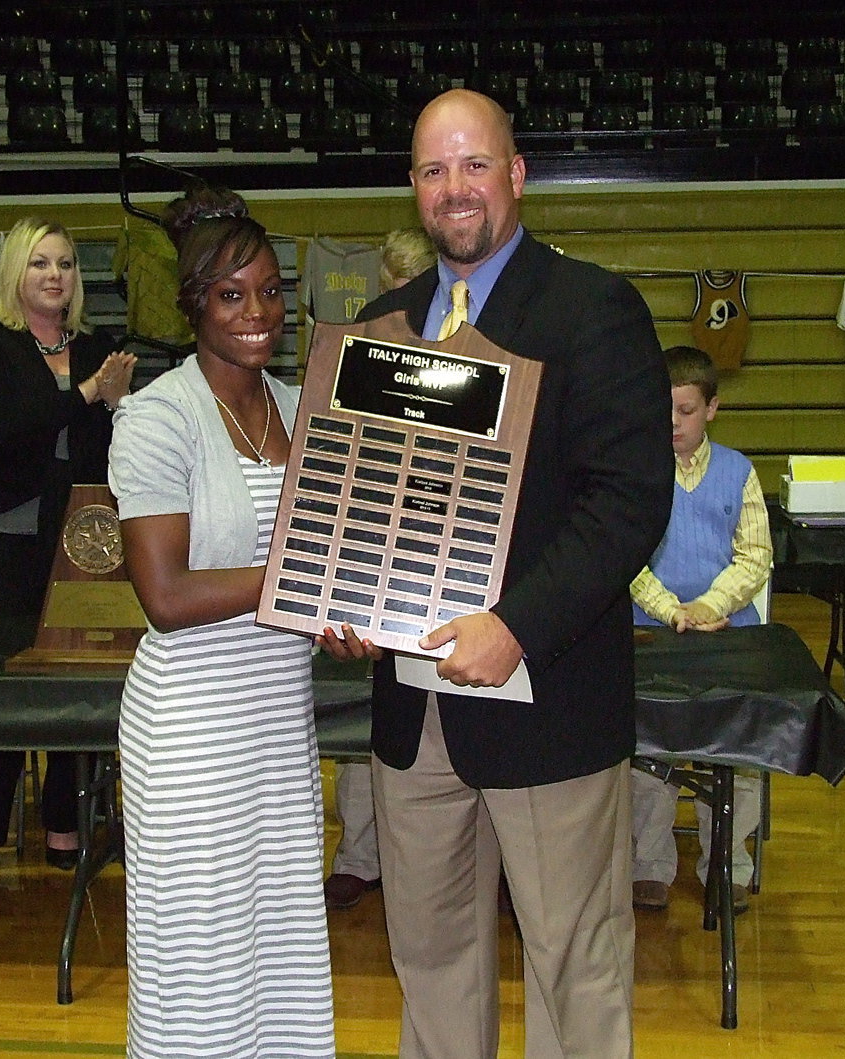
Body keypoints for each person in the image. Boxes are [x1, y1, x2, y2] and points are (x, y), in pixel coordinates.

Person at [319, 89, 673, 1059]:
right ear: (413, 190)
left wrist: (514, 623)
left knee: (574, 961)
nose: (455, 188)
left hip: (546, 701)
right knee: (429, 957)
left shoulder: (592, 309)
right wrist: (340, 600)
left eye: (475, 165)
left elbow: (628, 504)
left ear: (517, 175)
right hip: (414, 714)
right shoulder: (383, 327)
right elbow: (359, 509)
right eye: (434, 170)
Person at [108, 185, 334, 1059]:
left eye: (272, 291)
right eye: (233, 295)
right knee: (196, 965)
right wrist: (306, 575)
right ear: (194, 303)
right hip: (193, 730)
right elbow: (165, 597)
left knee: (276, 954)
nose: (258, 313)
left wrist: (336, 610)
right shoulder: (156, 416)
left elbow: (313, 571)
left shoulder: (296, 407)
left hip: (278, 720)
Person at [0, 217, 135, 879]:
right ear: (14, 273)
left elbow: (111, 446)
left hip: (80, 536)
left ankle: (64, 822)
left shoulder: (98, 346)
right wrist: (84, 396)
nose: (56, 275)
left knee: (77, 674)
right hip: (0, 533)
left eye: (67, 264)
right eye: (41, 263)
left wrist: (121, 404)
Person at [629, 344, 773, 914]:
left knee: (739, 755)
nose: (671, 423)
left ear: (712, 408)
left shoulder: (739, 473)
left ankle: (727, 862)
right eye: (662, 409)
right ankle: (649, 863)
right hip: (650, 630)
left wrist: (711, 607)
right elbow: (622, 556)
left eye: (685, 411)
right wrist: (672, 611)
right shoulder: (633, 472)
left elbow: (754, 556)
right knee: (644, 753)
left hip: (727, 634)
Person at [325, 226, 436, 912]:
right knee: (372, 717)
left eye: (408, 287)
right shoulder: (364, 343)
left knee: (443, 723)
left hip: (443, 564)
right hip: (374, 558)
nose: (395, 302)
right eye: (387, 287)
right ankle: (359, 851)